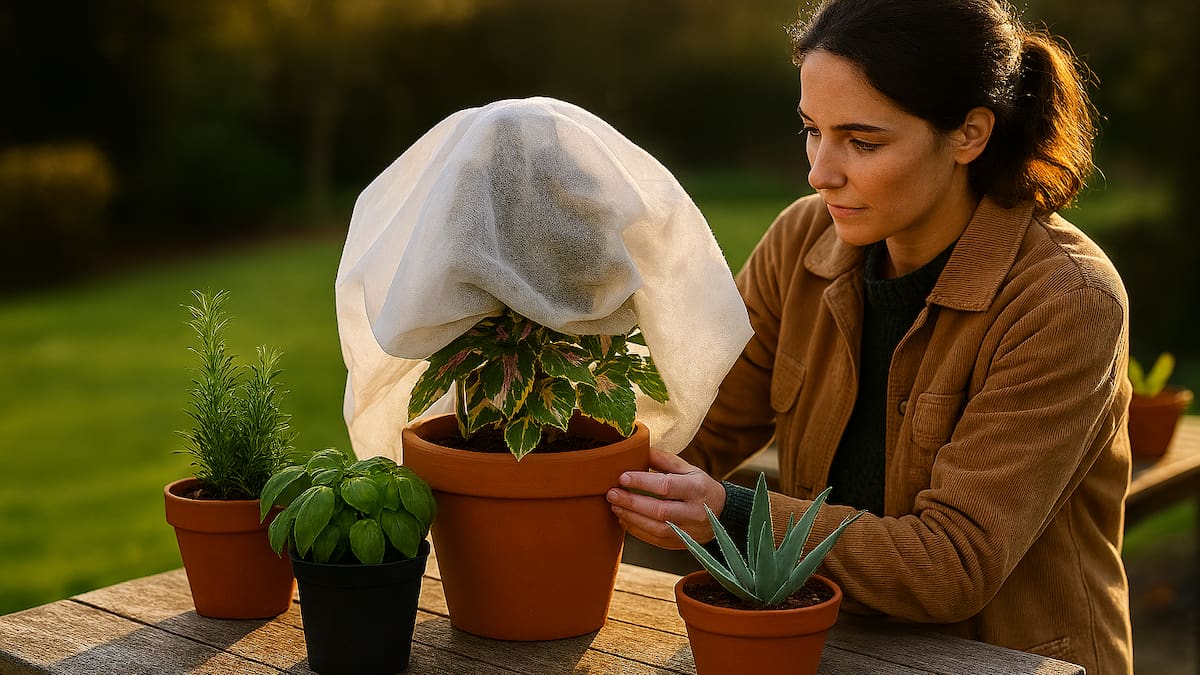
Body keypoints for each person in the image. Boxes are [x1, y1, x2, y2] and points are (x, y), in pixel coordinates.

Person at [604, 0, 1133, 672]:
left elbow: (951, 563)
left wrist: (731, 513)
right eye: (811, 130)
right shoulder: (802, 240)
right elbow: (693, 425)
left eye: (861, 141)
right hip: (825, 646)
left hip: (1007, 660)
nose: (820, 171)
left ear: (969, 134)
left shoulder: (1065, 301)